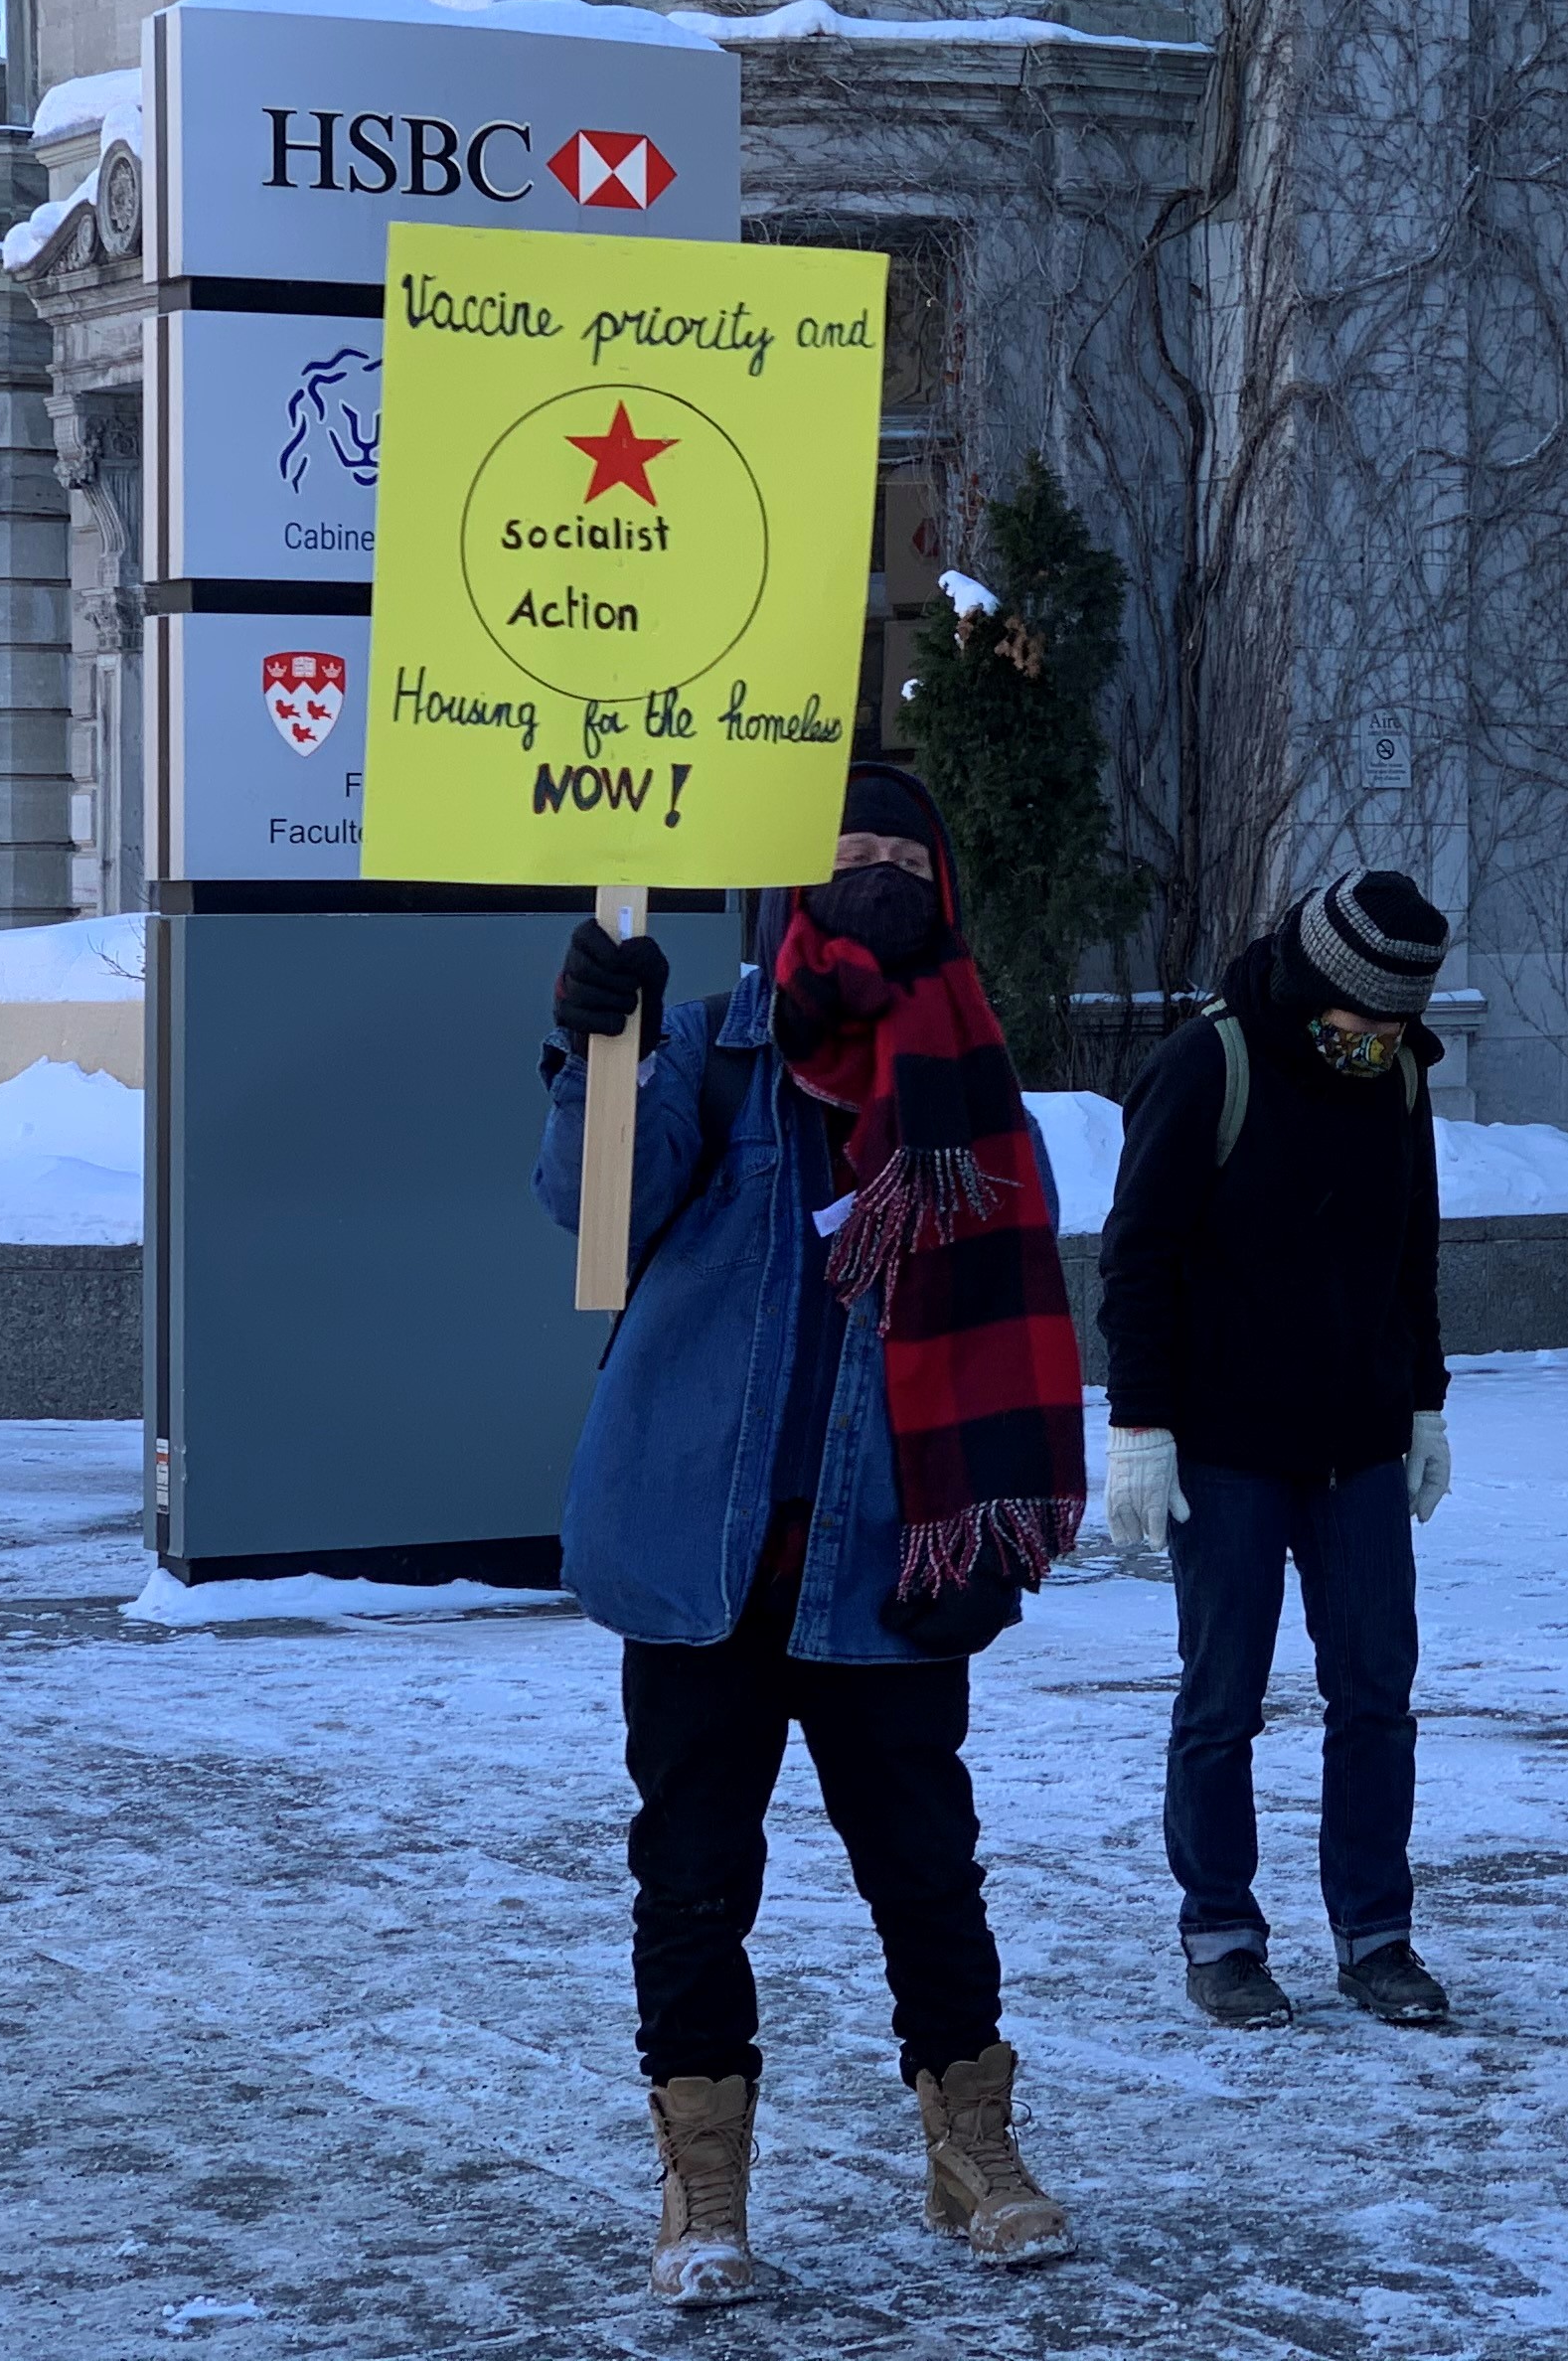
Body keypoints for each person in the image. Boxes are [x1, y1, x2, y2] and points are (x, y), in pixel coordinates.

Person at [539, 762, 1087, 2306]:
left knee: (929, 1872)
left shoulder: (978, 1098)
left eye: (901, 859)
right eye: (841, 854)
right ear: (787, 880)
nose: (871, 879)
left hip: (885, 1569)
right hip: (701, 1568)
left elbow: (1028, 1335)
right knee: (694, 1878)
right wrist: (595, 1040)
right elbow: (581, 1211)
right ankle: (702, 2184)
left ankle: (972, 2144)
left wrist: (987, 1542)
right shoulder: (714, 1054)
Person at [1097, 868, 1457, 2031]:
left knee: (1375, 1697)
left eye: (1401, 1024)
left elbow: (1414, 1254)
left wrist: (1424, 1403)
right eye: (1366, 1020)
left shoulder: (1397, 1076)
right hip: (1228, 1445)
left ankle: (1375, 1931)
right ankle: (1222, 1931)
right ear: (1317, 985)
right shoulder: (1211, 1064)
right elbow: (1137, 1253)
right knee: (1223, 1698)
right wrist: (1143, 1423)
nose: (1381, 1043)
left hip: (1356, 1441)